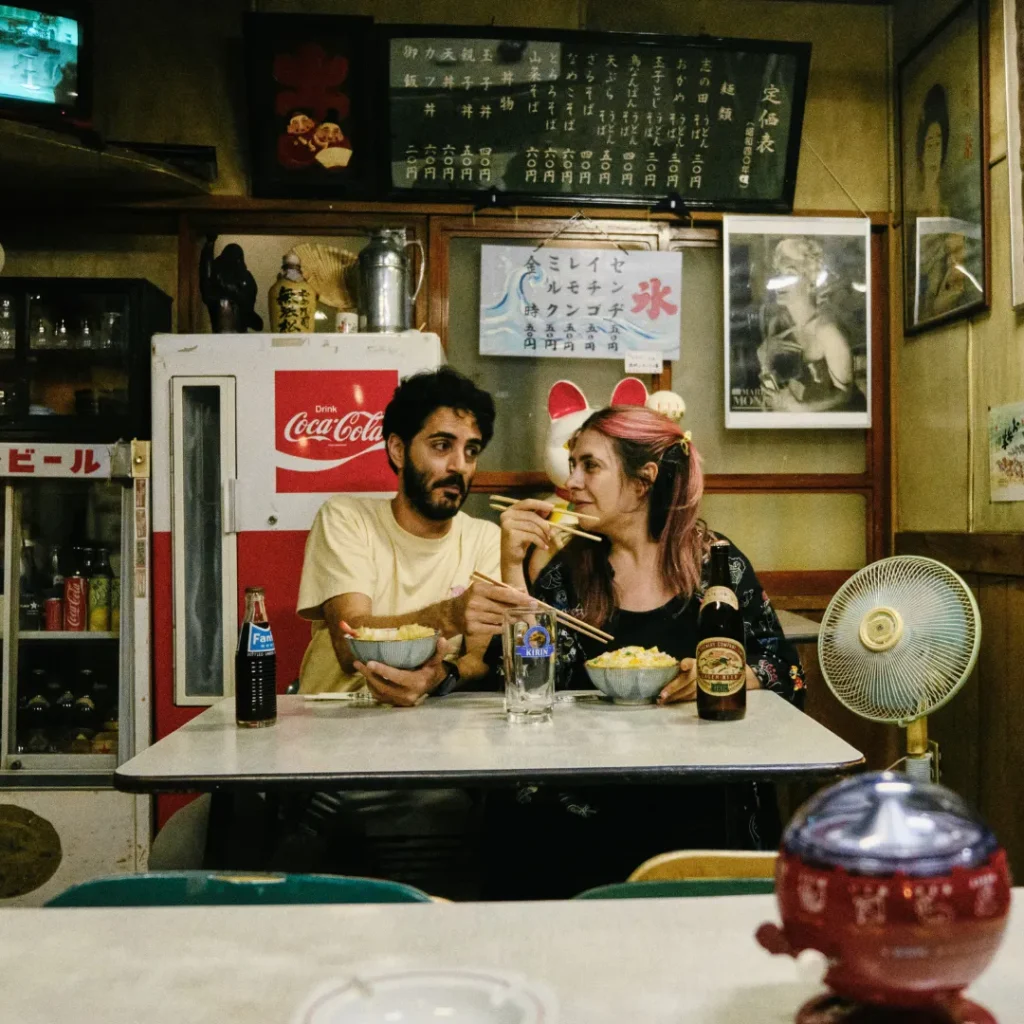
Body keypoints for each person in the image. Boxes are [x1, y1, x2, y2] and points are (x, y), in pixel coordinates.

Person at [483, 405, 804, 898]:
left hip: (702, 804)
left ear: (643, 481)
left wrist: (727, 675)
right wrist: (512, 566)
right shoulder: (570, 573)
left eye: (590, 466)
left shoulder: (714, 565)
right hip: (586, 812)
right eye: (572, 465)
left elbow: (787, 673)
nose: (572, 482)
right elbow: (526, 688)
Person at [296, 366, 527, 704]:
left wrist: (440, 676)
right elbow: (350, 642)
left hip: (432, 722)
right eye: (442, 445)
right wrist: (449, 615)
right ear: (398, 450)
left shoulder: (485, 539)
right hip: (336, 715)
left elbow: (477, 660)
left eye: (471, 451)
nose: (459, 466)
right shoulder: (347, 518)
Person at [756, 237, 866, 414]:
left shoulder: (827, 331)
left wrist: (801, 409)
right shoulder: (778, 325)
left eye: (789, 273)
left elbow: (845, 396)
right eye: (778, 273)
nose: (780, 281)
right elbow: (775, 394)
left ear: (810, 280)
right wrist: (764, 362)